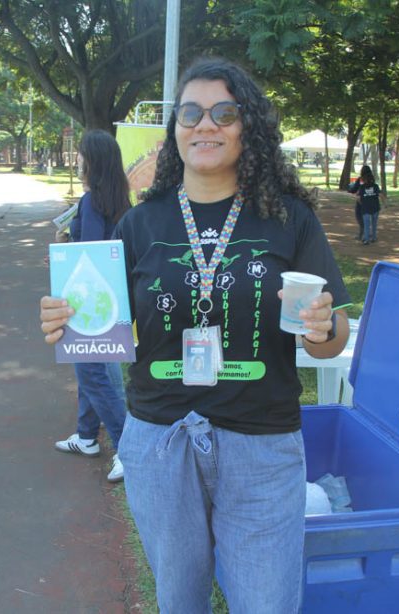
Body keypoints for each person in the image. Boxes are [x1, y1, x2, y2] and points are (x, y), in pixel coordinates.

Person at [40, 58, 351, 613]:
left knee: (267, 602)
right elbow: (103, 327)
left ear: (246, 126)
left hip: (261, 443)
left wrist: (325, 326)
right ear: (175, 129)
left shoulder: (289, 218)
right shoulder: (140, 223)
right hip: (160, 439)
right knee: (180, 600)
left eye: (223, 113)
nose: (205, 125)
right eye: (191, 112)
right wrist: (69, 319)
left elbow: (327, 341)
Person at [53, 129, 130, 483]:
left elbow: (92, 252)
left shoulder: (91, 201)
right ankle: (86, 437)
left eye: (81, 153)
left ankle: (127, 449)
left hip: (88, 304)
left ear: (92, 160)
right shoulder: (117, 199)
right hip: (111, 300)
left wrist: (67, 243)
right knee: (92, 368)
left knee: (92, 373)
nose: (77, 158)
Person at [350, 165, 384, 245]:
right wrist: (384, 204)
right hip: (375, 206)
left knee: (365, 222)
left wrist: (361, 202)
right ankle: (373, 237)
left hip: (365, 206)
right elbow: (381, 195)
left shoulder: (361, 184)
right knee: (374, 223)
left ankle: (366, 238)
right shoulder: (375, 186)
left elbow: (356, 194)